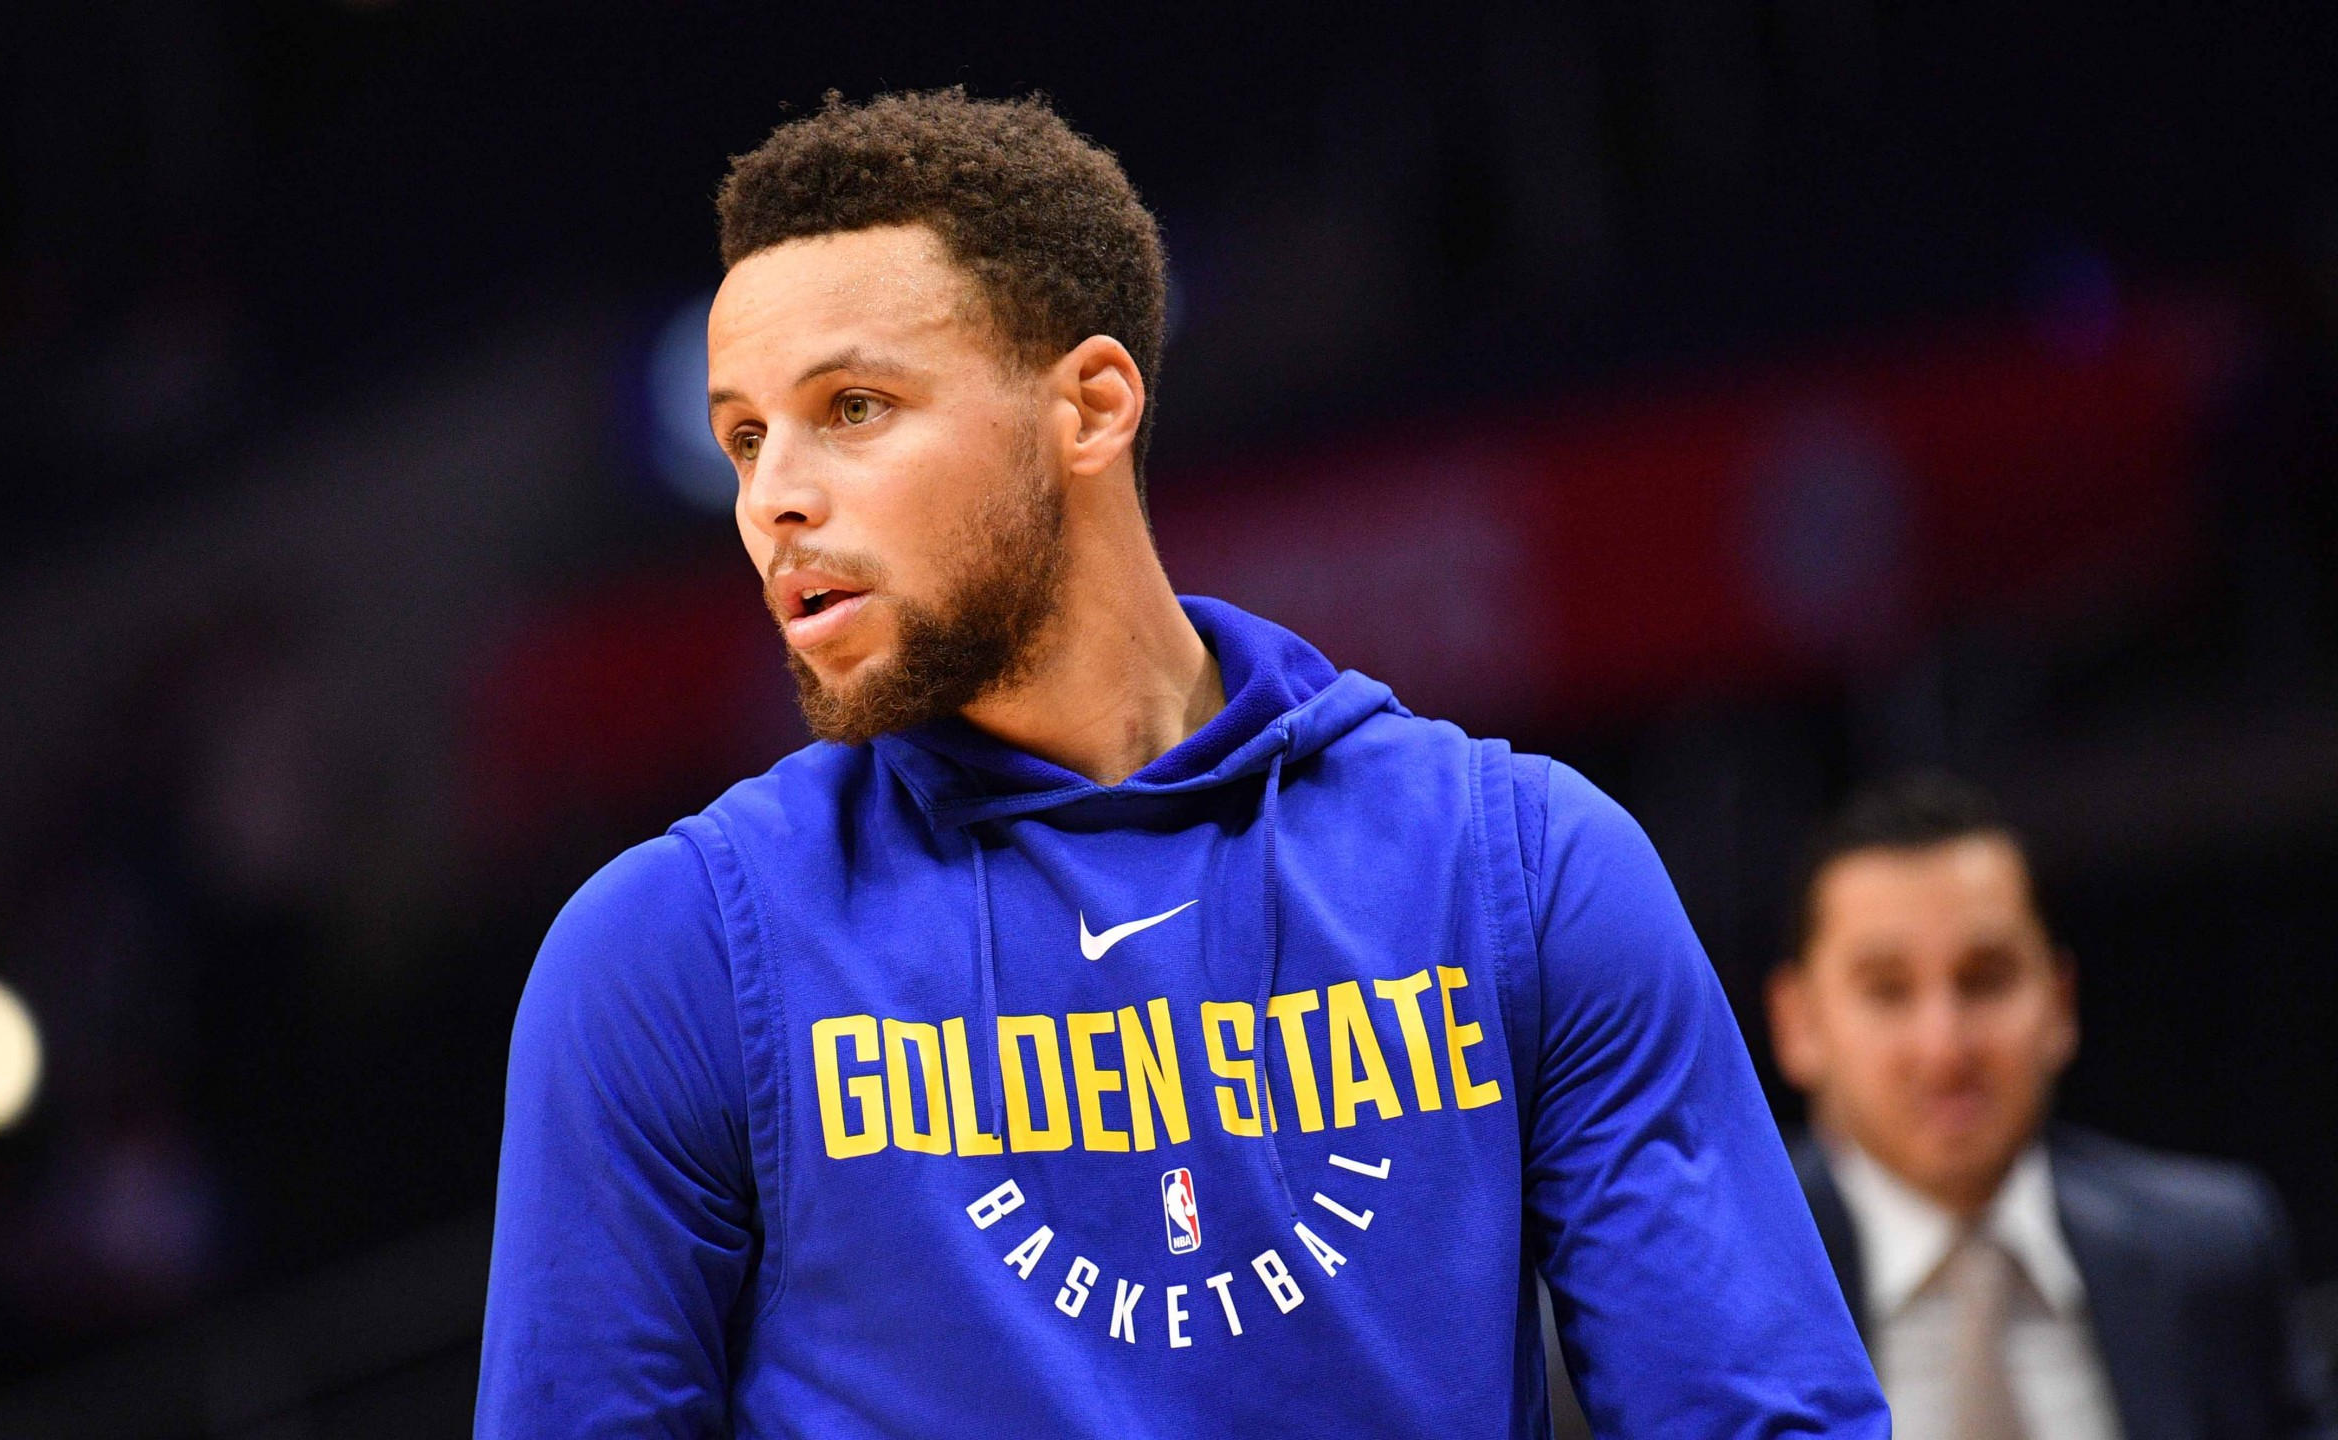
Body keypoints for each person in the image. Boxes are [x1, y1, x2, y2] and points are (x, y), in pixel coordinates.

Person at [475, 87, 1885, 1438]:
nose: (773, 498)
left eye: (853, 407)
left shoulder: (1520, 867)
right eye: (742, 438)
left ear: (1091, 406)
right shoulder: (667, 957)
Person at [1767, 772, 2335, 1440]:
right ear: (1798, 1025)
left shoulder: (2212, 1256)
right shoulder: (1732, 1283)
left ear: (2060, 1003)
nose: (1944, 1049)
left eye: (1987, 981)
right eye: (1888, 991)